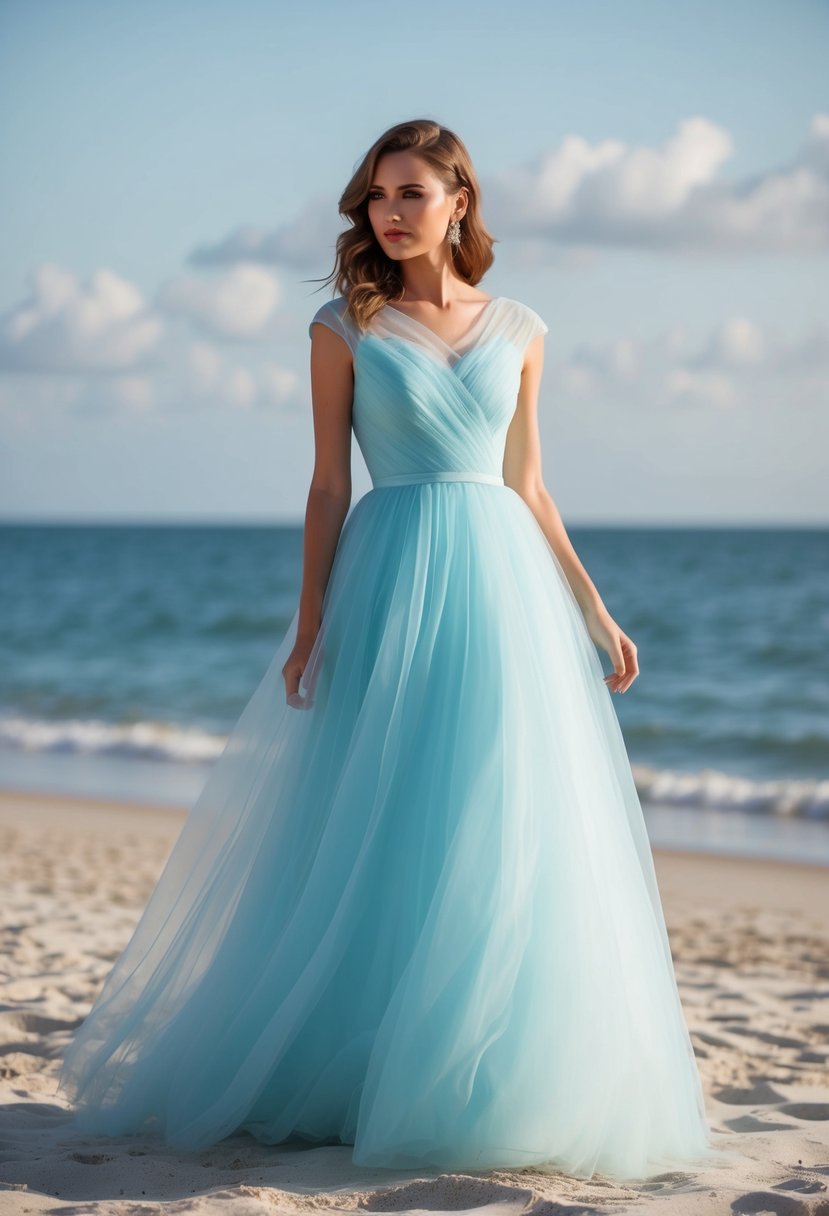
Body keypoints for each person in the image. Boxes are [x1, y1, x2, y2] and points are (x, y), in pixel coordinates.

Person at [56, 118, 736, 1184]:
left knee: (500, 818)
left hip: (505, 587)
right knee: (381, 817)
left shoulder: (521, 326)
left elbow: (529, 484)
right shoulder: (345, 325)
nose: (389, 212)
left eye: (411, 193)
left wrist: (594, 611)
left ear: (459, 200)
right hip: (390, 580)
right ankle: (350, 1066)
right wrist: (310, 620)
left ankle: (491, 1075)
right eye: (378, 196)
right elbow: (330, 482)